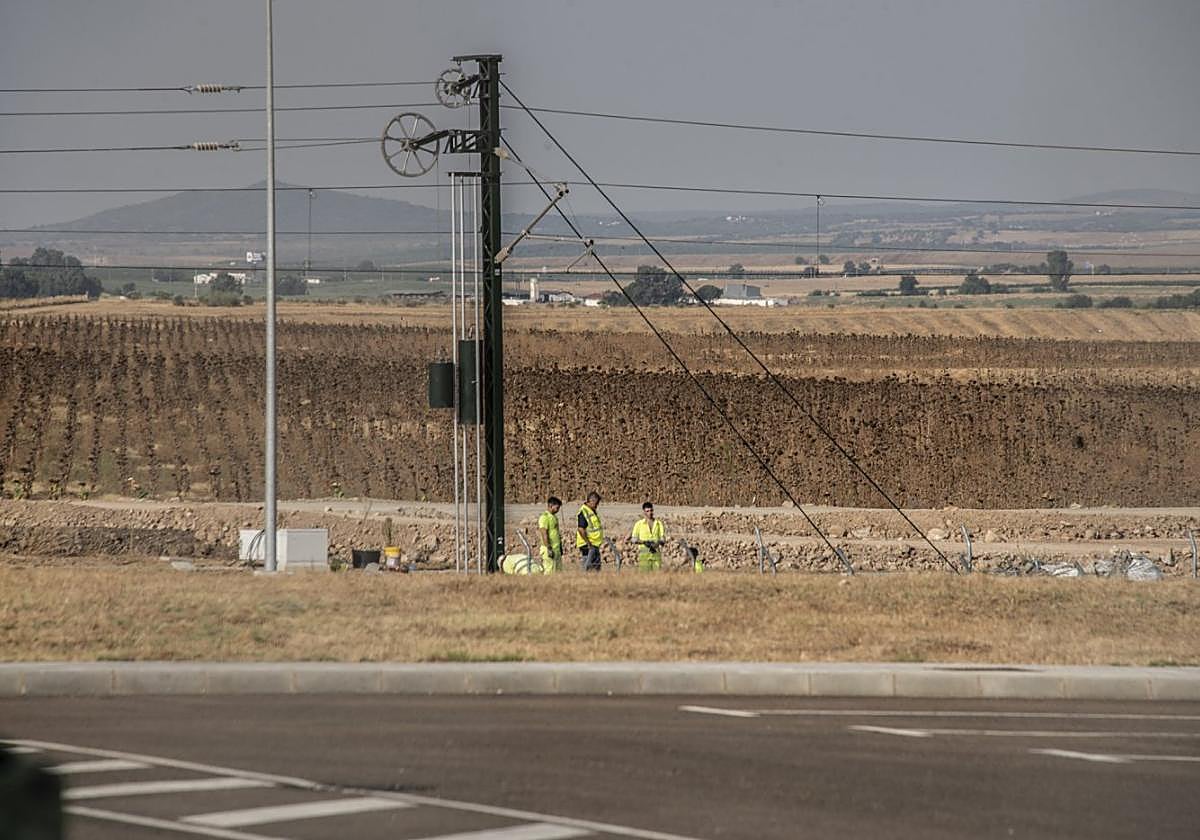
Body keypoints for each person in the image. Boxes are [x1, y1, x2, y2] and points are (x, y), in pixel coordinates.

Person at [630, 501, 666, 571]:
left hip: (656, 555)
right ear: (644, 512)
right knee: (644, 578)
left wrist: (658, 543)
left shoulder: (658, 523)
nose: (650, 512)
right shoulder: (639, 524)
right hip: (644, 557)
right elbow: (633, 539)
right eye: (648, 511)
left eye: (651, 510)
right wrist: (644, 542)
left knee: (657, 578)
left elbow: (663, 539)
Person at [576, 491, 604, 572]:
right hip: (588, 545)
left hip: (594, 544)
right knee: (588, 568)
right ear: (591, 501)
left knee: (596, 568)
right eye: (596, 503)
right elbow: (581, 529)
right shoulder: (584, 512)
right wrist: (589, 544)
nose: (597, 505)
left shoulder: (591, 511)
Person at [538, 496, 563, 574]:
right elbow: (544, 533)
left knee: (558, 571)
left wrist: (560, 547)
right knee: (549, 571)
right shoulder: (544, 517)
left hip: (556, 549)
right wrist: (548, 548)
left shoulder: (554, 517)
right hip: (549, 549)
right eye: (557, 507)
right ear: (551, 505)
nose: (558, 510)